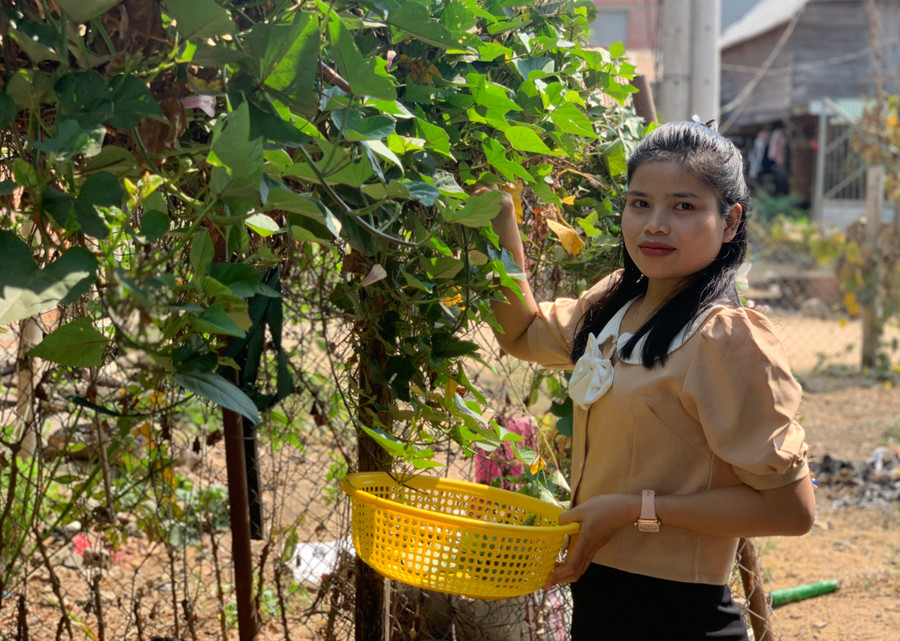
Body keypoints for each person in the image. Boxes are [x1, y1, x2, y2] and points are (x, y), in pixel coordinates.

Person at [487, 121, 816, 640]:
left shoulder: (725, 338)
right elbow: (522, 332)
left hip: (679, 617)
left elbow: (791, 509)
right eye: (640, 204)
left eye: (683, 207)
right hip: (599, 602)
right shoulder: (618, 303)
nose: (654, 225)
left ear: (730, 222)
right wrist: (498, 226)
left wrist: (631, 511)